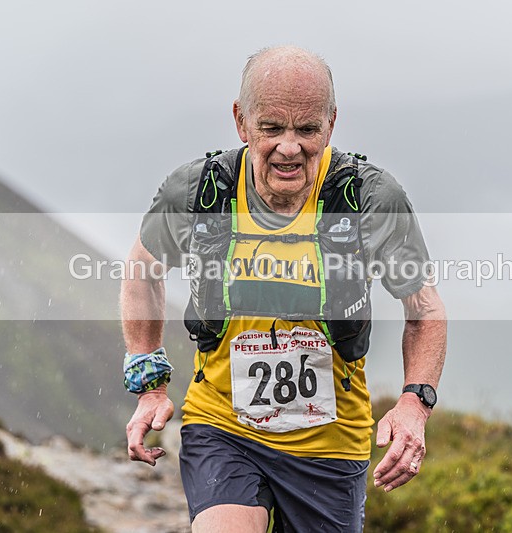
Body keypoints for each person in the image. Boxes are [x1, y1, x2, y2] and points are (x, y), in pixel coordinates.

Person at [120, 46, 446, 532]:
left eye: (307, 130)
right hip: (223, 427)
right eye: (271, 128)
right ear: (241, 121)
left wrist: (414, 403)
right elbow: (142, 270)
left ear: (331, 124)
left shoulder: (369, 199)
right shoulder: (199, 192)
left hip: (329, 445)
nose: (289, 148)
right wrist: (150, 383)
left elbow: (423, 308)